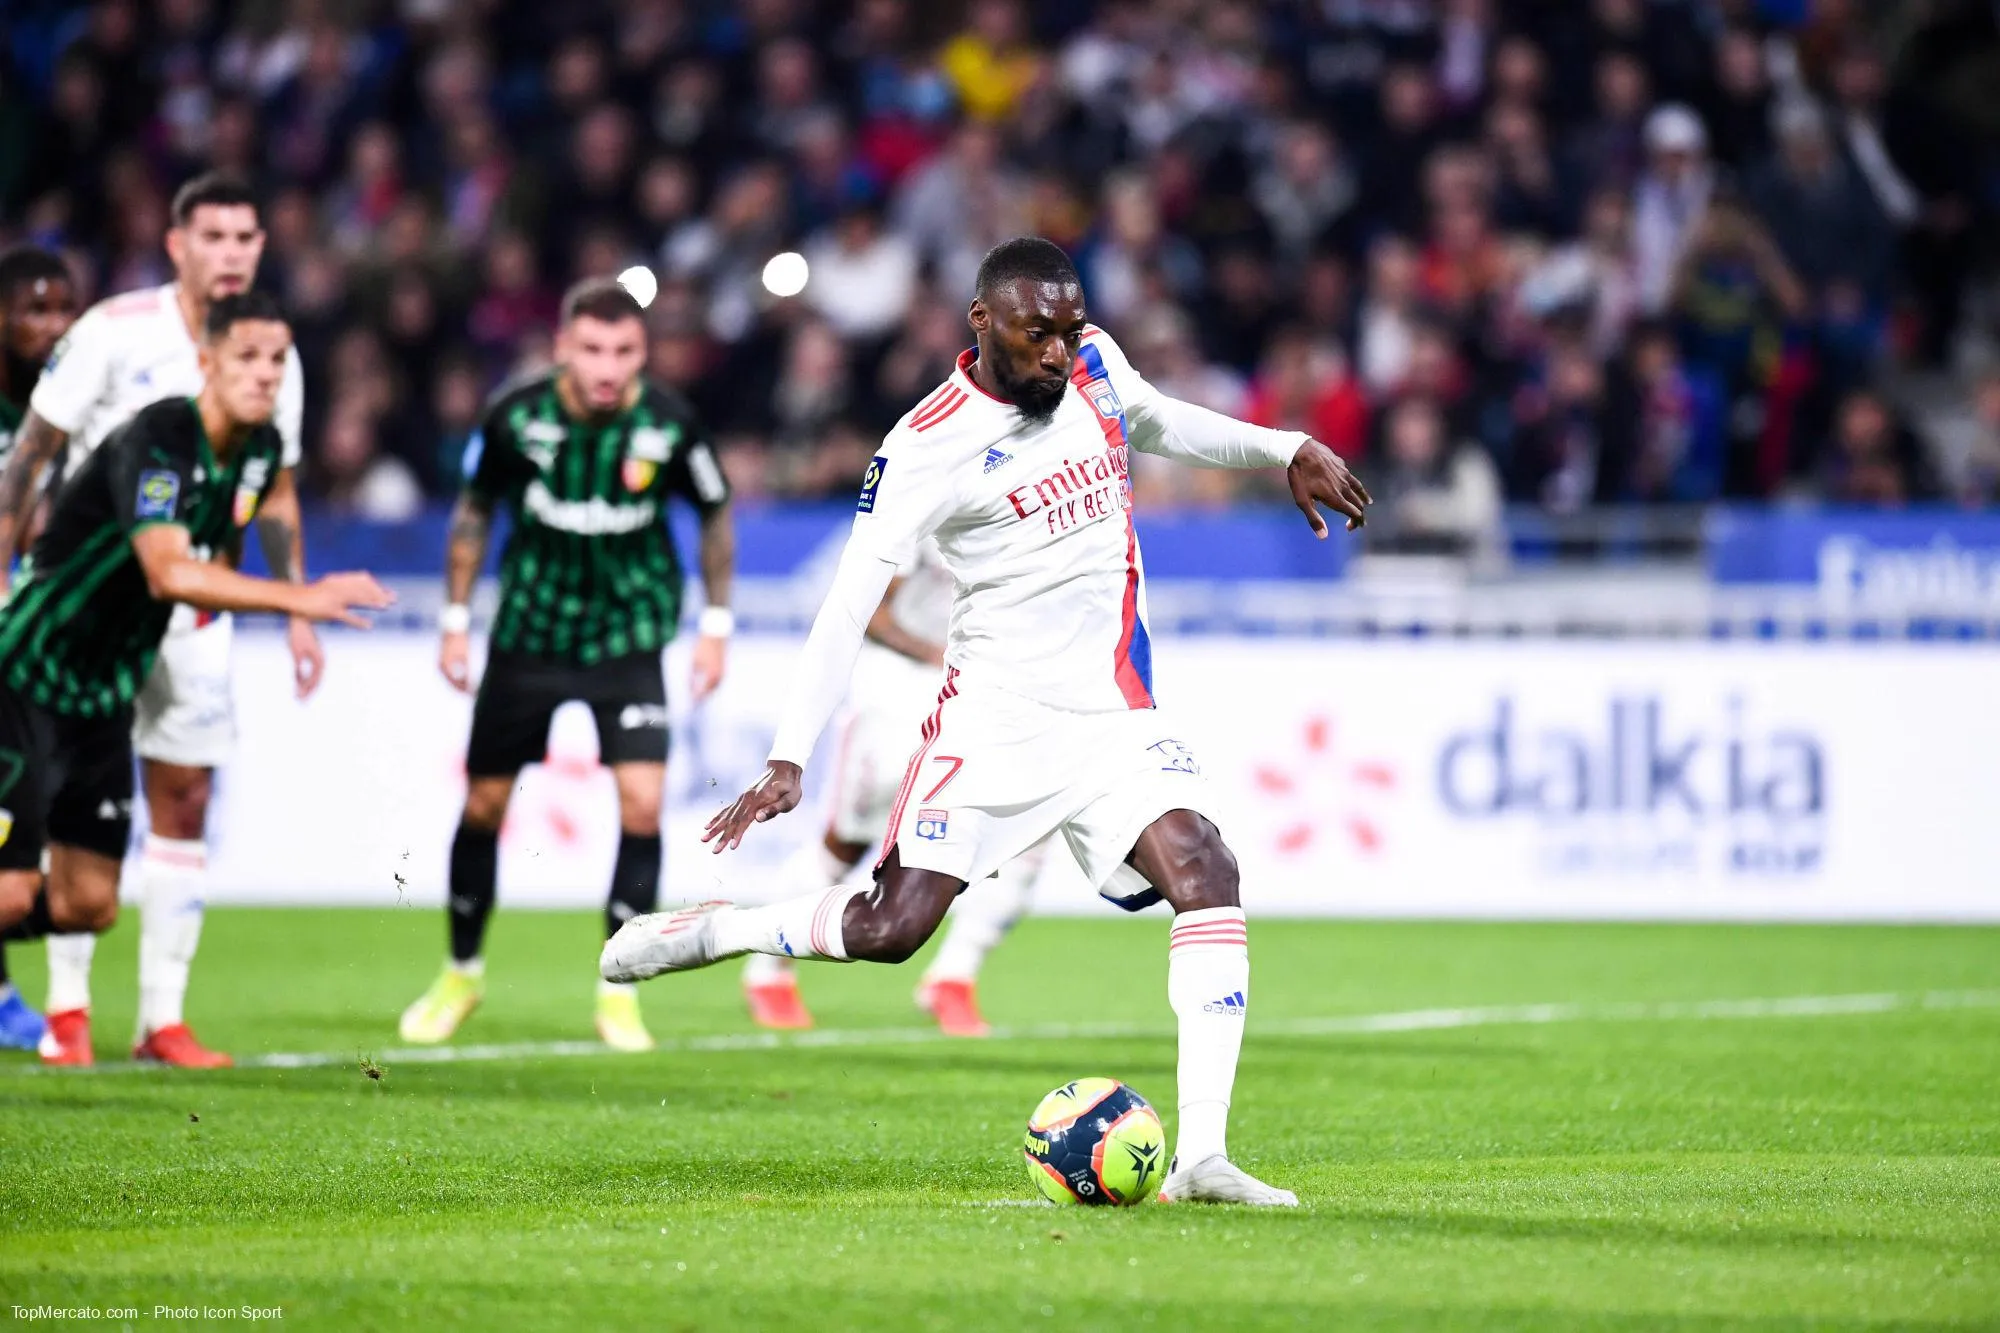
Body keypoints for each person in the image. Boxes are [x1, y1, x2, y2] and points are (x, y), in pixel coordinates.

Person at [604, 238, 1371, 1206]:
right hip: (994, 723)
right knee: (890, 929)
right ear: (981, 322)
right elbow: (847, 602)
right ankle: (722, 930)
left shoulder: (1094, 362)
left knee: (1206, 868)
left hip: (1111, 712)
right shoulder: (925, 444)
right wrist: (787, 754)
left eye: (1066, 326)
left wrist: (1282, 448)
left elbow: (1161, 421)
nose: (1058, 350)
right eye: (1034, 332)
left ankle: (1201, 1157)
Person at [0, 174, 320, 1069]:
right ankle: (68, 1014)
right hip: (91, 604)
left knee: (183, 798)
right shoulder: (112, 329)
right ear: (177, 244)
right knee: (54, 811)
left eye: (246, 237)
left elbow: (279, 484)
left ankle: (160, 1020)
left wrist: (295, 602)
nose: (231, 252)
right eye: (213, 235)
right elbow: (33, 451)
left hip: (189, 609)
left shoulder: (271, 353)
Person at [0, 296, 390, 988]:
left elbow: (223, 546)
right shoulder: (159, 437)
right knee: (11, 891)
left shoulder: (261, 450)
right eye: (247, 357)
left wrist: (282, 597)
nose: (265, 374)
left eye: (277, 360)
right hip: (25, 675)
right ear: (206, 361)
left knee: (86, 904)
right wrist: (300, 597)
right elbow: (167, 570)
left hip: (104, 692)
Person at [399, 278, 735, 1053]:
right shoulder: (516, 416)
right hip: (529, 633)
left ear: (643, 353)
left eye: (623, 351)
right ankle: (461, 972)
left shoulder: (670, 424)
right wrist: (455, 621)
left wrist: (714, 628)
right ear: (562, 349)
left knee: (644, 807)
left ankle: (618, 990)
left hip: (629, 635)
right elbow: (474, 512)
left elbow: (716, 514)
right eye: (591, 349)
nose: (607, 367)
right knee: (483, 806)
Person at [740, 537, 1044, 1037]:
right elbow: (872, 613)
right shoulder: (927, 502)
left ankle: (953, 977)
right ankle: (767, 972)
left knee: (1027, 837)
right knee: (847, 844)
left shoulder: (1042, 504)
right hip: (900, 691)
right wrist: (939, 655)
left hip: (988, 696)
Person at [0, 246, 80, 1051]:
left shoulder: (67, 415)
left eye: (63, 311)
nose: (49, 326)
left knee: (26, 858)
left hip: (26, 647)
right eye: (33, 308)